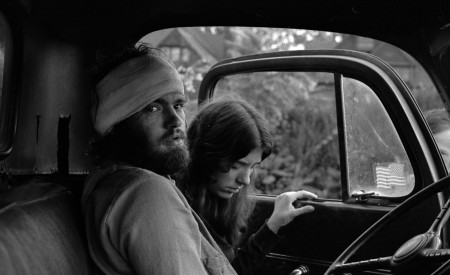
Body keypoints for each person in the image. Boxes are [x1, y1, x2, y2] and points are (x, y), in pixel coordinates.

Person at [81, 45, 237, 275]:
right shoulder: (145, 192)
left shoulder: (123, 183)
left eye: (178, 105)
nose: (175, 121)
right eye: (153, 108)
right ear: (117, 123)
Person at [180, 97, 317, 274]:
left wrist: (273, 224)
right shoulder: (177, 208)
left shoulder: (219, 203)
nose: (245, 179)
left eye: (253, 167)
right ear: (206, 156)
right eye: (236, 165)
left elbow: (231, 271)